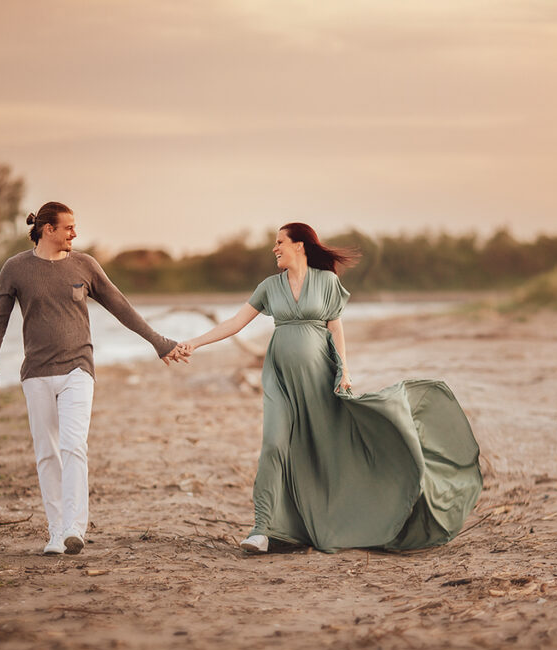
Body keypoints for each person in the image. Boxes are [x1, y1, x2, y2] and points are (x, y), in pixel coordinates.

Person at [179, 222, 482, 553]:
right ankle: (261, 528)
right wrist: (194, 342)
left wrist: (345, 370)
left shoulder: (327, 282)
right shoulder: (269, 287)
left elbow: (335, 330)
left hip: (321, 378)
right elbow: (235, 323)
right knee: (274, 444)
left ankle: (343, 518)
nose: (275, 248)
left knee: (327, 448)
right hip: (279, 379)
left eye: (280, 242)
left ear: (300, 246)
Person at [0, 201, 190, 556]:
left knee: (73, 446)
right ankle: (55, 531)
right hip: (36, 375)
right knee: (47, 454)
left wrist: (159, 343)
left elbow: (121, 306)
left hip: (79, 369)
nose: (75, 234)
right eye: (68, 228)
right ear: (48, 229)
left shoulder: (85, 265)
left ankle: (74, 528)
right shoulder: (16, 268)